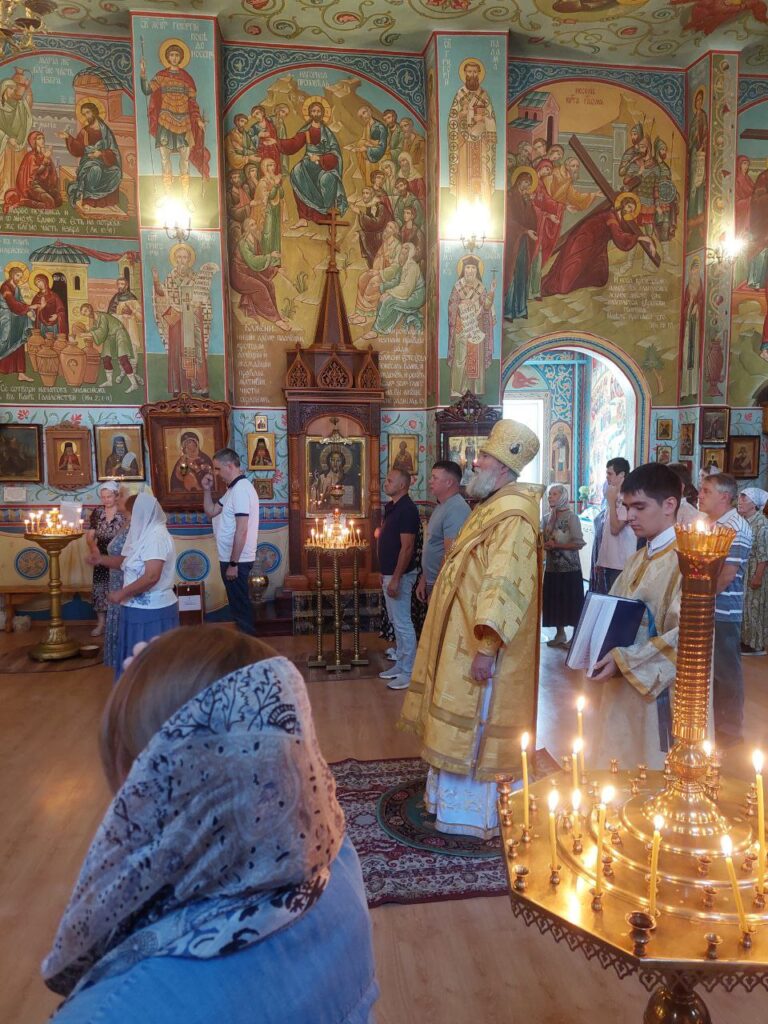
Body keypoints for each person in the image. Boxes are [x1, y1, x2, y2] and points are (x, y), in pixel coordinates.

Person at [42, 626, 378, 1023]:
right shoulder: (336, 865)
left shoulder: (114, 1010)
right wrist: (174, 678)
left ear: (146, 780)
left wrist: (156, 698)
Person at [399, 420, 543, 839]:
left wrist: (487, 647)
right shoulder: (492, 505)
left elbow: (505, 584)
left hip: (479, 641)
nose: (473, 463)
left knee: (476, 719)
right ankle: (447, 802)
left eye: (481, 457)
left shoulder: (514, 515)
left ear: (502, 468)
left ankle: (475, 814)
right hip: (462, 634)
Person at [589, 463, 685, 770]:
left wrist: (624, 660)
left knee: (654, 769)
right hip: (623, 684)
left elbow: (688, 637)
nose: (629, 516)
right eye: (627, 506)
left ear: (669, 505)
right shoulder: (638, 558)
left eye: (639, 507)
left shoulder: (688, 561)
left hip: (662, 693)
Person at [698, 473, 753, 747]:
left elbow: (726, 575)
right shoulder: (710, 523)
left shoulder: (735, 528)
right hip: (707, 606)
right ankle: (712, 722)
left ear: (724, 496)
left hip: (723, 610)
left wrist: (699, 599)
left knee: (726, 670)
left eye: (706, 491)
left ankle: (730, 730)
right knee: (709, 669)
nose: (700, 495)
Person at [108, 493, 179, 680]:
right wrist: (100, 560)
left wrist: (121, 593)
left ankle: (148, 696)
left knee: (150, 663)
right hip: (135, 608)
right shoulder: (145, 533)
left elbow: (151, 576)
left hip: (152, 611)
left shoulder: (156, 537)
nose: (128, 520)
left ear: (141, 513)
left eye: (129, 515)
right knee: (135, 659)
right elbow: (127, 562)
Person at [140, 40, 210, 199]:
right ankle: (167, 195)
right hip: (165, 121)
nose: (174, 57)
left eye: (177, 55)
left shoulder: (187, 78)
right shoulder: (161, 76)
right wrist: (143, 74)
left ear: (181, 57)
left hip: (184, 123)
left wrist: (198, 120)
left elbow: (192, 103)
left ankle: (185, 196)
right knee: (165, 160)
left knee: (184, 161)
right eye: (171, 55)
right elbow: (146, 90)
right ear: (167, 57)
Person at [202, 448, 260, 637]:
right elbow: (211, 511)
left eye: (218, 469)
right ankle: (245, 645)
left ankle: (248, 648)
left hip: (238, 560)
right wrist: (206, 490)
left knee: (241, 608)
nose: (216, 474)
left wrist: (233, 564)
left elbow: (242, 530)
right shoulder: (232, 490)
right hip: (230, 558)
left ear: (229, 466)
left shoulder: (241, 490)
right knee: (237, 607)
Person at [151, 242, 218, 397]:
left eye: (185, 257)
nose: (182, 260)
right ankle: (179, 386)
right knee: (177, 349)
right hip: (177, 316)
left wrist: (196, 303)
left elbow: (202, 296)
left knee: (195, 350)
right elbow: (161, 293)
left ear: (189, 260)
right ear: (175, 259)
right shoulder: (171, 277)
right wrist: (155, 280)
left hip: (192, 316)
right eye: (179, 257)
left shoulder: (195, 277)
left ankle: (199, 385)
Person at [272, 97, 347, 228]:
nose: (316, 113)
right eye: (313, 111)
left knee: (327, 179)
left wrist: (320, 158)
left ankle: (327, 216)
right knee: (297, 172)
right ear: (310, 113)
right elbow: (294, 143)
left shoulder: (327, 133)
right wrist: (277, 142)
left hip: (325, 166)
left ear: (322, 113)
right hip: (308, 164)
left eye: (318, 111)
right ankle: (303, 217)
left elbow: (335, 153)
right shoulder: (306, 130)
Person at [378, 467, 420, 691]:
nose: (386, 483)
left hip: (400, 575)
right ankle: (401, 665)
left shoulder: (407, 509)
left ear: (402, 485)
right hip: (390, 573)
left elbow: (407, 547)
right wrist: (383, 572)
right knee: (396, 621)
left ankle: (409, 671)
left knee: (403, 623)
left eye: (390, 480)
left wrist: (395, 578)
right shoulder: (392, 507)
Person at [86, 490, 136, 671]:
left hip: (122, 578)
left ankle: (128, 663)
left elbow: (128, 559)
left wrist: (102, 559)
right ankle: (121, 663)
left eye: (119, 496)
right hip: (115, 574)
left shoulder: (133, 525)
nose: (113, 499)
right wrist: (99, 558)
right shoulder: (126, 522)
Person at [415, 460, 470, 605]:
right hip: (433, 581)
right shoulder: (442, 506)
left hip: (444, 584)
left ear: (449, 482)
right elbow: (433, 544)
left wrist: (438, 587)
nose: (430, 481)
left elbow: (450, 553)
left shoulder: (456, 508)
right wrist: (424, 578)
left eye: (435, 478)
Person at [447, 58, 497, 207]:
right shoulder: (460, 94)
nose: (472, 74)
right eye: (469, 71)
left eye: (475, 72)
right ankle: (463, 202)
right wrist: (461, 114)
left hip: (480, 142)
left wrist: (483, 118)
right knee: (463, 172)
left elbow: (491, 118)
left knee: (482, 172)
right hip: (463, 141)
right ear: (465, 73)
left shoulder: (484, 95)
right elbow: (452, 119)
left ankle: (483, 202)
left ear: (479, 74)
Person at [542, 483, 585, 649]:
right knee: (554, 602)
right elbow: (543, 539)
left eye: (554, 494)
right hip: (552, 568)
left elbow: (578, 543)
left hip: (569, 569)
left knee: (571, 603)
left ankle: (575, 638)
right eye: (549, 494)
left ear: (563, 496)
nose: (550, 497)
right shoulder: (547, 518)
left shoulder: (572, 518)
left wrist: (557, 546)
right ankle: (560, 634)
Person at [447, 254, 496, 397]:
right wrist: (462, 307)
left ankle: (476, 390)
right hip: (462, 326)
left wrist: (492, 291)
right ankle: (458, 390)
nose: (470, 271)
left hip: (476, 328)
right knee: (460, 358)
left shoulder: (481, 287)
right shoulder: (458, 287)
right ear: (463, 270)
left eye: (473, 268)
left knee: (476, 358)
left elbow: (486, 307)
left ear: (477, 270)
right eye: (468, 268)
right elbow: (452, 306)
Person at [60, 101, 123, 209]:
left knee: (116, 171)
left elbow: (113, 150)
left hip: (105, 161)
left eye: (88, 112)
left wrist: (101, 153)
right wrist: (68, 137)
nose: (86, 116)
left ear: (94, 112)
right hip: (89, 160)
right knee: (95, 170)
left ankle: (106, 202)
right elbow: (79, 149)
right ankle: (89, 200)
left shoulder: (106, 131)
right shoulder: (85, 131)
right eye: (84, 114)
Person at [85, 481, 127, 637]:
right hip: (101, 555)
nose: (106, 500)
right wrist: (93, 548)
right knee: (100, 589)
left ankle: (118, 623)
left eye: (109, 496)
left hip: (118, 555)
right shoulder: (97, 513)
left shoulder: (123, 512)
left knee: (118, 587)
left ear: (116, 496)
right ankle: (101, 623)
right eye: (103, 497)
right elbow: (90, 536)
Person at [593, 458, 637, 593]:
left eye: (610, 473)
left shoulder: (627, 498)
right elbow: (606, 532)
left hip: (621, 562)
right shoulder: (613, 495)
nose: (607, 477)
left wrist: (611, 502)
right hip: (610, 561)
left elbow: (615, 528)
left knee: (617, 598)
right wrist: (601, 559)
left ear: (622, 475)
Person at [79, 303, 141, 394]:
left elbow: (102, 331)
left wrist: (86, 334)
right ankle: (109, 381)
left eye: (85, 311)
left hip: (119, 333)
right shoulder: (95, 320)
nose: (86, 314)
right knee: (106, 358)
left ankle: (134, 384)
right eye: (83, 314)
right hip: (110, 336)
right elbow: (95, 330)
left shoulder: (101, 316)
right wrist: (85, 332)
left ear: (90, 308)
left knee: (123, 359)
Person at [738, 487, 768, 657]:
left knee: (755, 607)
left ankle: (756, 644)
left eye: (744, 499)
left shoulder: (762, 524)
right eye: (740, 498)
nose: (740, 502)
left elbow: (764, 554)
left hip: (756, 570)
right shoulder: (745, 521)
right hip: (746, 569)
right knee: (746, 606)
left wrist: (757, 576)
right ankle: (746, 640)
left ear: (754, 504)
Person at [2, 129, 61, 213]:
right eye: (39, 138)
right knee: (50, 202)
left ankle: (39, 202)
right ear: (33, 141)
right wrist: (45, 160)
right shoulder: (31, 156)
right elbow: (35, 173)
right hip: (31, 186)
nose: (42, 140)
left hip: (43, 185)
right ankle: (23, 202)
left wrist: (47, 160)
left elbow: (50, 173)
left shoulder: (43, 154)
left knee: (58, 199)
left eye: (43, 138)